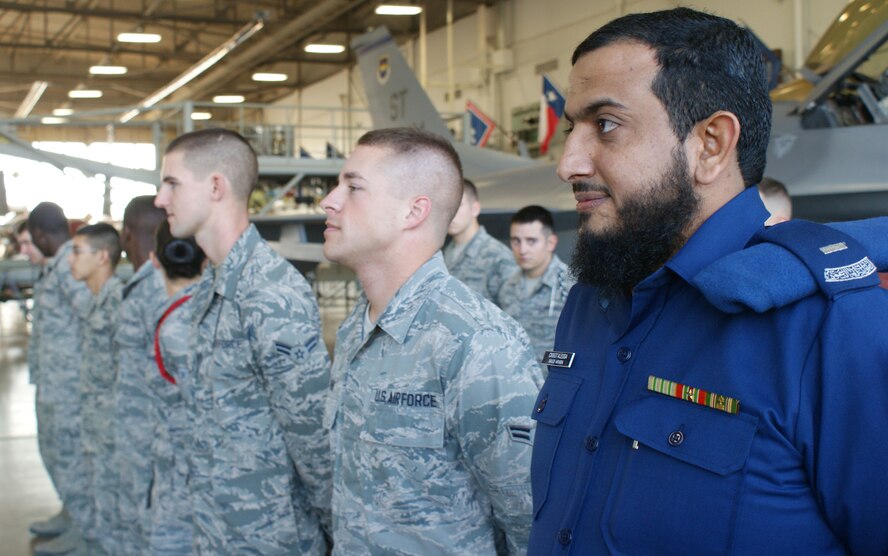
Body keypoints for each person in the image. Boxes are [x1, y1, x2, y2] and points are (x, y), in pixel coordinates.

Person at [528, 8, 888, 555]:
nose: (568, 164)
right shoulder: (591, 300)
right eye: (572, 129)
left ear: (711, 145)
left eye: (605, 125)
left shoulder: (831, 326)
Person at [319, 127, 543, 555]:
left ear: (413, 211)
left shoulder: (476, 342)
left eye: (353, 187)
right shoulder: (354, 330)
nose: (328, 201)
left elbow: (531, 517)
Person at [155, 128, 332, 554]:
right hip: (217, 527)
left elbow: (314, 439)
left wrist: (335, 533)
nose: (160, 199)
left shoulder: (271, 295)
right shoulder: (211, 286)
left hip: (271, 536)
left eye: (172, 184)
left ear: (216, 186)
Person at [27, 203, 92, 556]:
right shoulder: (56, 266)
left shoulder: (69, 265)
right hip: (54, 381)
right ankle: (69, 513)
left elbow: (92, 317)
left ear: (39, 234)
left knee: (71, 455)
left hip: (69, 384)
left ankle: (84, 529)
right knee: (55, 451)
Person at [145, 221, 206, 556]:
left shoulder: (174, 323)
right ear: (206, 259)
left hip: (183, 480)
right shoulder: (212, 312)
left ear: (155, 260)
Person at [113, 196, 167, 555]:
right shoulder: (154, 284)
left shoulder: (156, 288)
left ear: (125, 235)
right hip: (140, 443)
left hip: (152, 451)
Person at [69, 222, 123, 555]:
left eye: (77, 252)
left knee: (116, 512)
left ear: (102, 256)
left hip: (114, 432)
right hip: (96, 426)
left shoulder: (118, 303)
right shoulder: (94, 301)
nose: (70, 260)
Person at [497, 205, 575, 361]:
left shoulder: (571, 286)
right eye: (516, 241)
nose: (522, 250)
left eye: (531, 241)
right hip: (516, 372)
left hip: (552, 374)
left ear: (551, 242)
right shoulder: (507, 285)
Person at [443, 178, 518, 303]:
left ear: (475, 209)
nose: (451, 213)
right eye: (446, 206)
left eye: (458, 205)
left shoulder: (498, 257)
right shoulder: (443, 254)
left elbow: (512, 309)